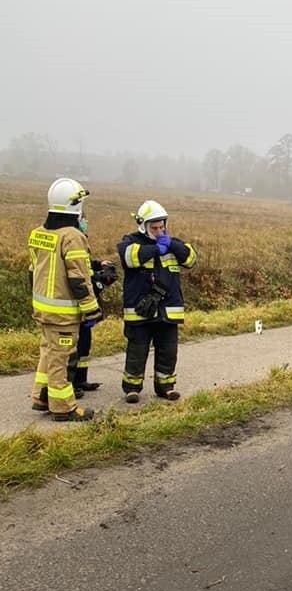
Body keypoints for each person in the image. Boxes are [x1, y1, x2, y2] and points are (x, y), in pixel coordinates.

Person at [28, 178, 100, 422]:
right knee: (61, 357)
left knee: (48, 352)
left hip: (43, 309)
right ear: (74, 207)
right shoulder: (72, 237)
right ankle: (63, 407)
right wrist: (92, 310)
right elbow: (79, 279)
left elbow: (32, 271)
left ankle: (41, 396)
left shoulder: (39, 233)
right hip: (63, 313)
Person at [117, 200, 197, 403]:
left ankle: (166, 387)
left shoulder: (172, 243)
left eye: (162, 226)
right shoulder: (131, 241)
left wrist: (171, 245)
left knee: (168, 351)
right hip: (140, 310)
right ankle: (132, 388)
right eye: (155, 227)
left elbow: (191, 259)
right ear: (143, 226)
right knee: (137, 351)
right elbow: (128, 257)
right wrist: (154, 250)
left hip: (168, 311)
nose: (160, 231)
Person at [72, 214, 118, 396]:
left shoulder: (80, 239)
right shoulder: (72, 239)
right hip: (78, 304)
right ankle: (71, 383)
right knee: (74, 346)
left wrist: (99, 264)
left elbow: (84, 264)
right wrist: (98, 281)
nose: (86, 222)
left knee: (85, 344)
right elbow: (77, 272)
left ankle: (81, 380)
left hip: (87, 304)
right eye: (83, 219)